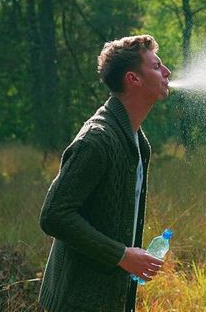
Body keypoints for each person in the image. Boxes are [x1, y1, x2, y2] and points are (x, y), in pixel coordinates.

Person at [38, 35, 171, 312]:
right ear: (133, 79)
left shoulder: (136, 141)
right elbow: (54, 216)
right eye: (157, 66)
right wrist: (121, 255)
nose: (167, 72)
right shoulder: (96, 140)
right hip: (76, 302)